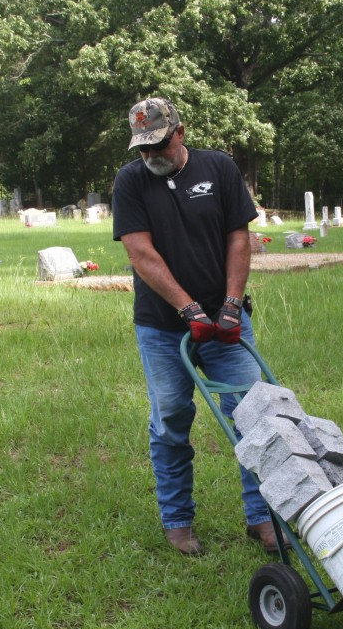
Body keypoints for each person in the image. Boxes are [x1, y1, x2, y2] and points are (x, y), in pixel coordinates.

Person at [112, 96, 285, 556]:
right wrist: (189, 310)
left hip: (226, 325)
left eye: (159, 144)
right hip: (163, 327)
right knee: (170, 418)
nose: (151, 156)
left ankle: (263, 516)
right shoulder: (130, 182)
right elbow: (140, 253)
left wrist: (230, 305)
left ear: (180, 132)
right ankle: (178, 521)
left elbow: (238, 239)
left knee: (255, 414)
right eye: (143, 149)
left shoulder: (219, 169)